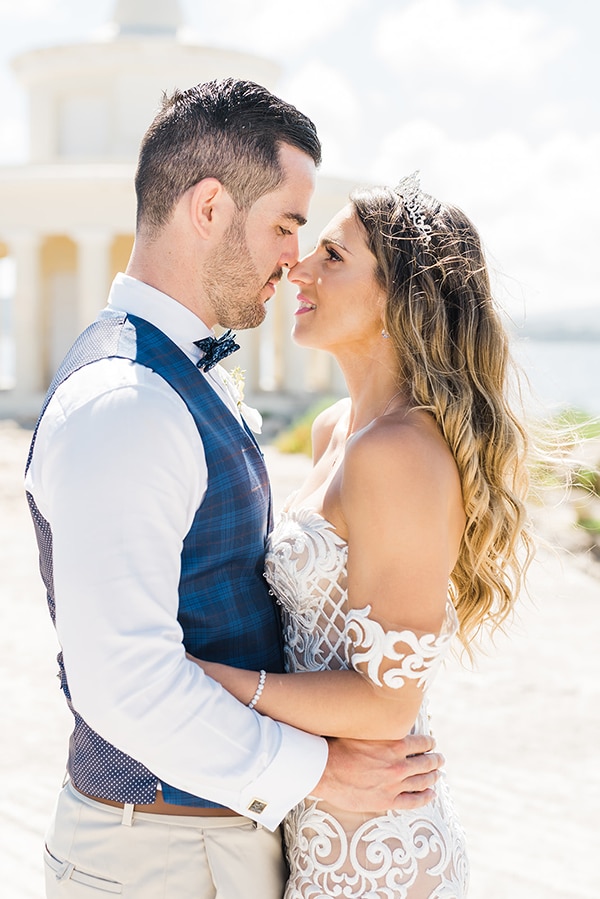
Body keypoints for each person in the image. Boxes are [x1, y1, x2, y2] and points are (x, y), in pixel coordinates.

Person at [24, 81, 443, 899]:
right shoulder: (128, 401)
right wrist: (321, 773)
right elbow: (127, 683)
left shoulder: (177, 373)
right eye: (285, 224)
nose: (295, 258)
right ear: (210, 206)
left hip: (203, 845)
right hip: (157, 855)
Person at [187, 173, 535, 897]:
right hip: (317, 823)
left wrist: (202, 680)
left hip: (379, 853)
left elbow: (387, 703)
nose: (296, 269)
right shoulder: (335, 432)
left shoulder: (399, 452)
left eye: (333, 256)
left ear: (400, 297)